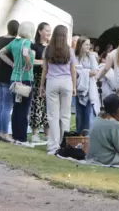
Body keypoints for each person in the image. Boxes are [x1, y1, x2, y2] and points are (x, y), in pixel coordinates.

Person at [41, 25, 77, 154]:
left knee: (53, 116)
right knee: (65, 115)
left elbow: (45, 70)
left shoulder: (48, 50)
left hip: (52, 82)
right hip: (66, 82)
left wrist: (41, 86)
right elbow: (73, 70)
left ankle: (53, 145)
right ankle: (64, 144)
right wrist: (74, 86)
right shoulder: (70, 51)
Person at [0, 21, 35, 145]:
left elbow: (0, 53)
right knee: (24, 108)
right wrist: (29, 64)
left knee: (15, 107)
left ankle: (14, 134)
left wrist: (13, 64)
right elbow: (25, 53)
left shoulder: (14, 42)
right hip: (25, 78)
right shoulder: (27, 42)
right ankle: (22, 137)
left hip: (14, 77)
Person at [0, 20, 19, 142]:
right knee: (6, 106)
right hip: (8, 75)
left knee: (0, 105)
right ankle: (5, 133)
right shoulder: (15, 42)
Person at [30, 22, 51, 143]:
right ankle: (34, 133)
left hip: (50, 79)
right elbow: (32, 61)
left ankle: (47, 134)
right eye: (47, 30)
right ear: (40, 31)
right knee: (37, 104)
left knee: (48, 106)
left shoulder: (50, 46)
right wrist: (44, 63)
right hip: (38, 78)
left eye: (50, 30)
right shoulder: (34, 45)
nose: (49, 33)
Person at [75, 36, 100, 133]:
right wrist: (87, 72)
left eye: (89, 44)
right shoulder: (76, 57)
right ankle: (79, 135)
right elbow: (75, 71)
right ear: (80, 45)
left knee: (89, 113)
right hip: (79, 88)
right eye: (86, 44)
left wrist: (83, 72)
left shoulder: (91, 57)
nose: (88, 46)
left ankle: (87, 137)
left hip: (90, 89)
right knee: (79, 114)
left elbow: (95, 72)